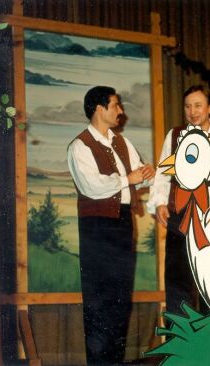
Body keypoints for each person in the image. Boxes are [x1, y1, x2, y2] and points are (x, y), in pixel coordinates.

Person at [67, 86, 155, 365]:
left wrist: (147, 173)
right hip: (97, 229)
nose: (121, 111)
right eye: (116, 105)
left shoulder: (121, 142)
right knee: (99, 302)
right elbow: (92, 186)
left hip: (122, 224)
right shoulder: (79, 146)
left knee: (119, 300)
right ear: (99, 109)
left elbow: (137, 175)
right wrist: (130, 178)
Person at [147, 85, 210, 315]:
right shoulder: (174, 136)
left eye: (198, 105)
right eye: (188, 106)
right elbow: (163, 173)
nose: (192, 111)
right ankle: (181, 344)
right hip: (179, 217)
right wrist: (160, 202)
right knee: (177, 281)